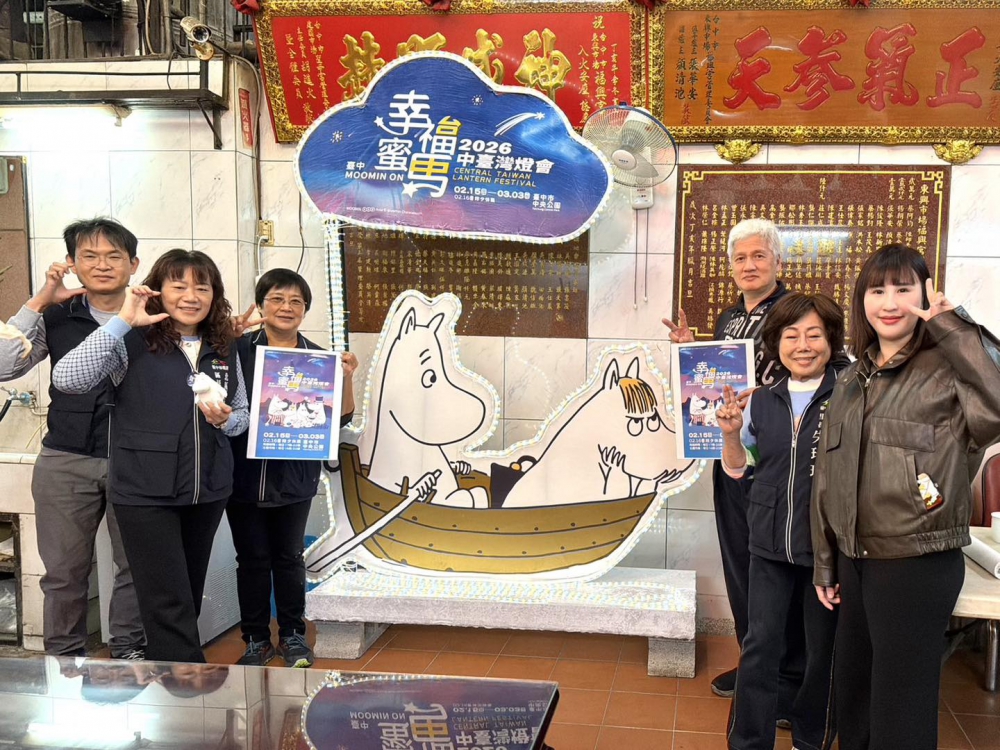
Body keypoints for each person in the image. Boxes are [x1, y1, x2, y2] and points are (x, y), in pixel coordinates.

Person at [811, 244, 1000, 750]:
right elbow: (827, 478)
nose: (890, 302)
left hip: (917, 561)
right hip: (855, 560)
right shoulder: (850, 380)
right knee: (855, 698)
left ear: (924, 295)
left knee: (901, 708)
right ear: (862, 300)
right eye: (877, 290)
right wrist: (826, 561)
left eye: (903, 288)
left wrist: (954, 327)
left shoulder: (950, 369)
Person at [51, 249, 249, 664]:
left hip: (207, 491)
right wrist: (122, 320)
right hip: (145, 492)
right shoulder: (131, 340)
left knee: (187, 594)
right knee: (167, 603)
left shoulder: (224, 346)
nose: (191, 296)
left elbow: (242, 418)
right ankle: (189, 688)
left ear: (215, 295)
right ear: (158, 290)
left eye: (202, 287)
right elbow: (68, 379)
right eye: (179, 285)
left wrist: (226, 419)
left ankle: (172, 681)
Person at [662, 217, 804, 702]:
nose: (749, 265)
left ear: (778, 261)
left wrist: (763, 394)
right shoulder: (729, 318)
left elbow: (808, 376)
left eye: (759, 255)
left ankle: (789, 677)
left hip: (777, 459)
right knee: (740, 560)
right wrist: (690, 353)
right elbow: (717, 377)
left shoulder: (794, 312)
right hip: (729, 454)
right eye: (740, 258)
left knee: (776, 566)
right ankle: (755, 665)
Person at [0, 218, 146, 660]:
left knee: (137, 567)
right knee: (63, 573)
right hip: (66, 458)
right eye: (90, 256)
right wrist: (41, 299)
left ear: (133, 264)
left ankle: (129, 654)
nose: (102, 265)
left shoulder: (154, 315)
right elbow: (3, 367)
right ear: (71, 263)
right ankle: (64, 662)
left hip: (138, 459)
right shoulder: (58, 317)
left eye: (114, 256)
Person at [717, 293, 842, 750]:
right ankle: (749, 741)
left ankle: (811, 739)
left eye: (814, 335)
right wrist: (731, 434)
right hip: (768, 542)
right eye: (791, 336)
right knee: (759, 645)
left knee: (821, 652)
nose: (803, 346)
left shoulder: (850, 395)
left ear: (831, 340)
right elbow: (738, 469)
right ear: (776, 343)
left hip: (825, 549)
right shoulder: (762, 401)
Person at [227, 268, 357, 668]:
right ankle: (255, 640)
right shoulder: (236, 350)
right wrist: (226, 336)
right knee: (251, 559)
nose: (287, 307)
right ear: (260, 305)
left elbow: (342, 418)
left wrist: (346, 377)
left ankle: (293, 635)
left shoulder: (318, 360)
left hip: (295, 476)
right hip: (242, 476)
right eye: (277, 299)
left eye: (296, 301)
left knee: (289, 557)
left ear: (305, 310)